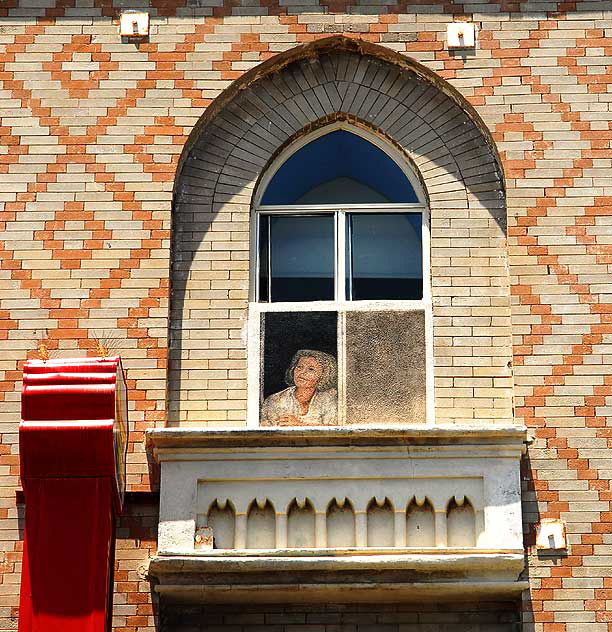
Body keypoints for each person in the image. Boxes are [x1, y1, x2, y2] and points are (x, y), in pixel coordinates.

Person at [261, 349, 337, 426]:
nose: (302, 372)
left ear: (323, 375)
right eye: (299, 367)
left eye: (311, 369)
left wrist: (300, 424)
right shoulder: (275, 400)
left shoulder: (329, 398)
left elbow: (335, 430)